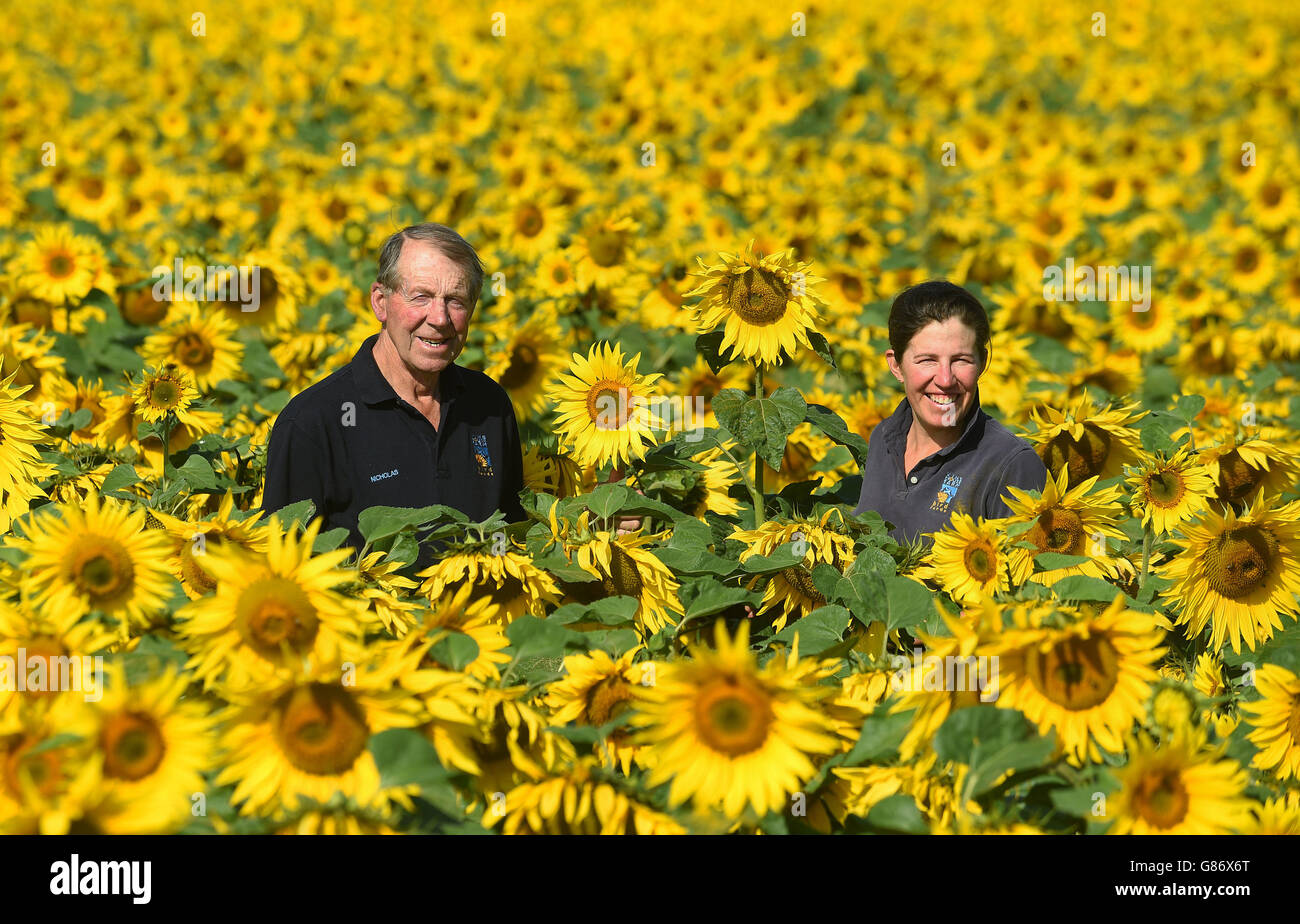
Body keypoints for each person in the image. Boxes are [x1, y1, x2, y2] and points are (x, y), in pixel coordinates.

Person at [261, 223, 527, 569]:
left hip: (479, 622)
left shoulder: (489, 406)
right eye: (421, 297)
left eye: (456, 301)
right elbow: (281, 567)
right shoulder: (314, 422)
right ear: (380, 302)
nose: (440, 318)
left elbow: (513, 536)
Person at [852, 279, 1048, 545]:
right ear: (896, 365)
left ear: (982, 363)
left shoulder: (1011, 465)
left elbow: (1024, 580)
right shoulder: (882, 438)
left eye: (961, 360)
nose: (945, 379)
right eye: (927, 360)